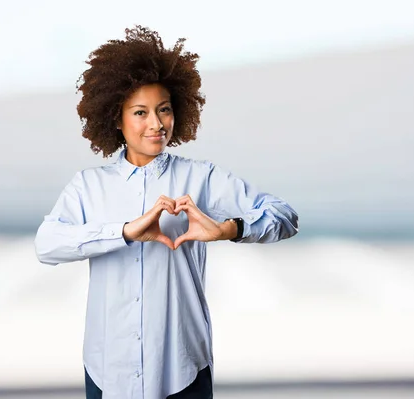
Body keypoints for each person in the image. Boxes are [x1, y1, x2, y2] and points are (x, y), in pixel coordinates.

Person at [34, 25, 299, 399]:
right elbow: (46, 245)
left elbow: (284, 215)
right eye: (140, 112)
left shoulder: (201, 177)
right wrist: (124, 232)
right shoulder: (88, 186)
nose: (156, 124)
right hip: (108, 371)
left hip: (183, 370)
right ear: (115, 118)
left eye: (164, 110)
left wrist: (229, 229)